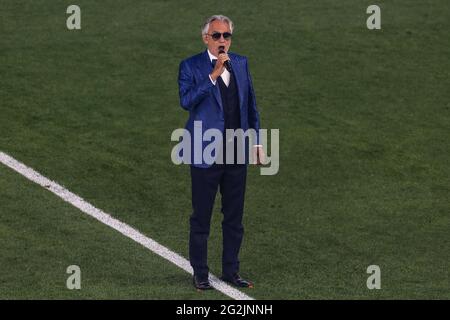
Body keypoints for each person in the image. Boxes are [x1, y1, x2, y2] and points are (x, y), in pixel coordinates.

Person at [178, 14, 264, 290]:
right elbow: (186, 101)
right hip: (205, 153)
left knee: (234, 218)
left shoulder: (240, 63)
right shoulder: (190, 66)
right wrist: (213, 76)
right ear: (206, 38)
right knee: (201, 217)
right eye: (216, 36)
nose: (222, 41)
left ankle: (231, 271)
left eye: (226, 36)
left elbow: (251, 106)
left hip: (236, 152)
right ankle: (200, 273)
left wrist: (258, 143)